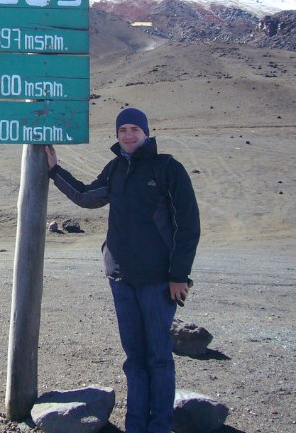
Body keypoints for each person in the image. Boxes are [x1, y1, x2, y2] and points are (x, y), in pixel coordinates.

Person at [45, 107, 200, 433]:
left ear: (146, 132)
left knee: (158, 358)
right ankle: (135, 425)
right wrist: (54, 171)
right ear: (117, 135)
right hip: (121, 278)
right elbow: (87, 197)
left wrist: (178, 275)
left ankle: (158, 425)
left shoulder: (167, 168)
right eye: (122, 130)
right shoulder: (115, 168)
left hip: (158, 281)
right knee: (133, 359)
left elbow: (188, 225)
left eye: (134, 129)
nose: (128, 135)